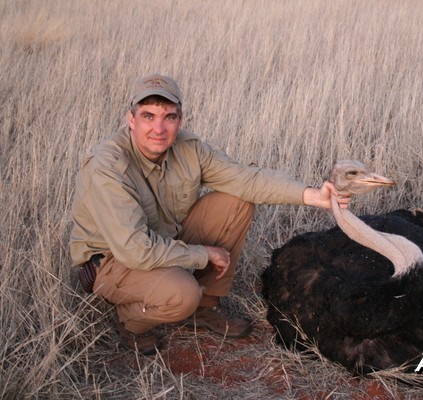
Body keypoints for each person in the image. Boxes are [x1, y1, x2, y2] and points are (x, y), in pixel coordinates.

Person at [70, 73, 349, 355]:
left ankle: (204, 308)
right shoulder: (107, 166)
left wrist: (312, 195)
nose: (159, 128)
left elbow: (246, 179)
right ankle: (130, 321)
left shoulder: (187, 149)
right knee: (183, 293)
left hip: (162, 241)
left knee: (237, 201)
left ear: (180, 120)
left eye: (169, 117)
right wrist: (203, 254)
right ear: (131, 120)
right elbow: (135, 251)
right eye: (148, 116)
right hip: (113, 261)